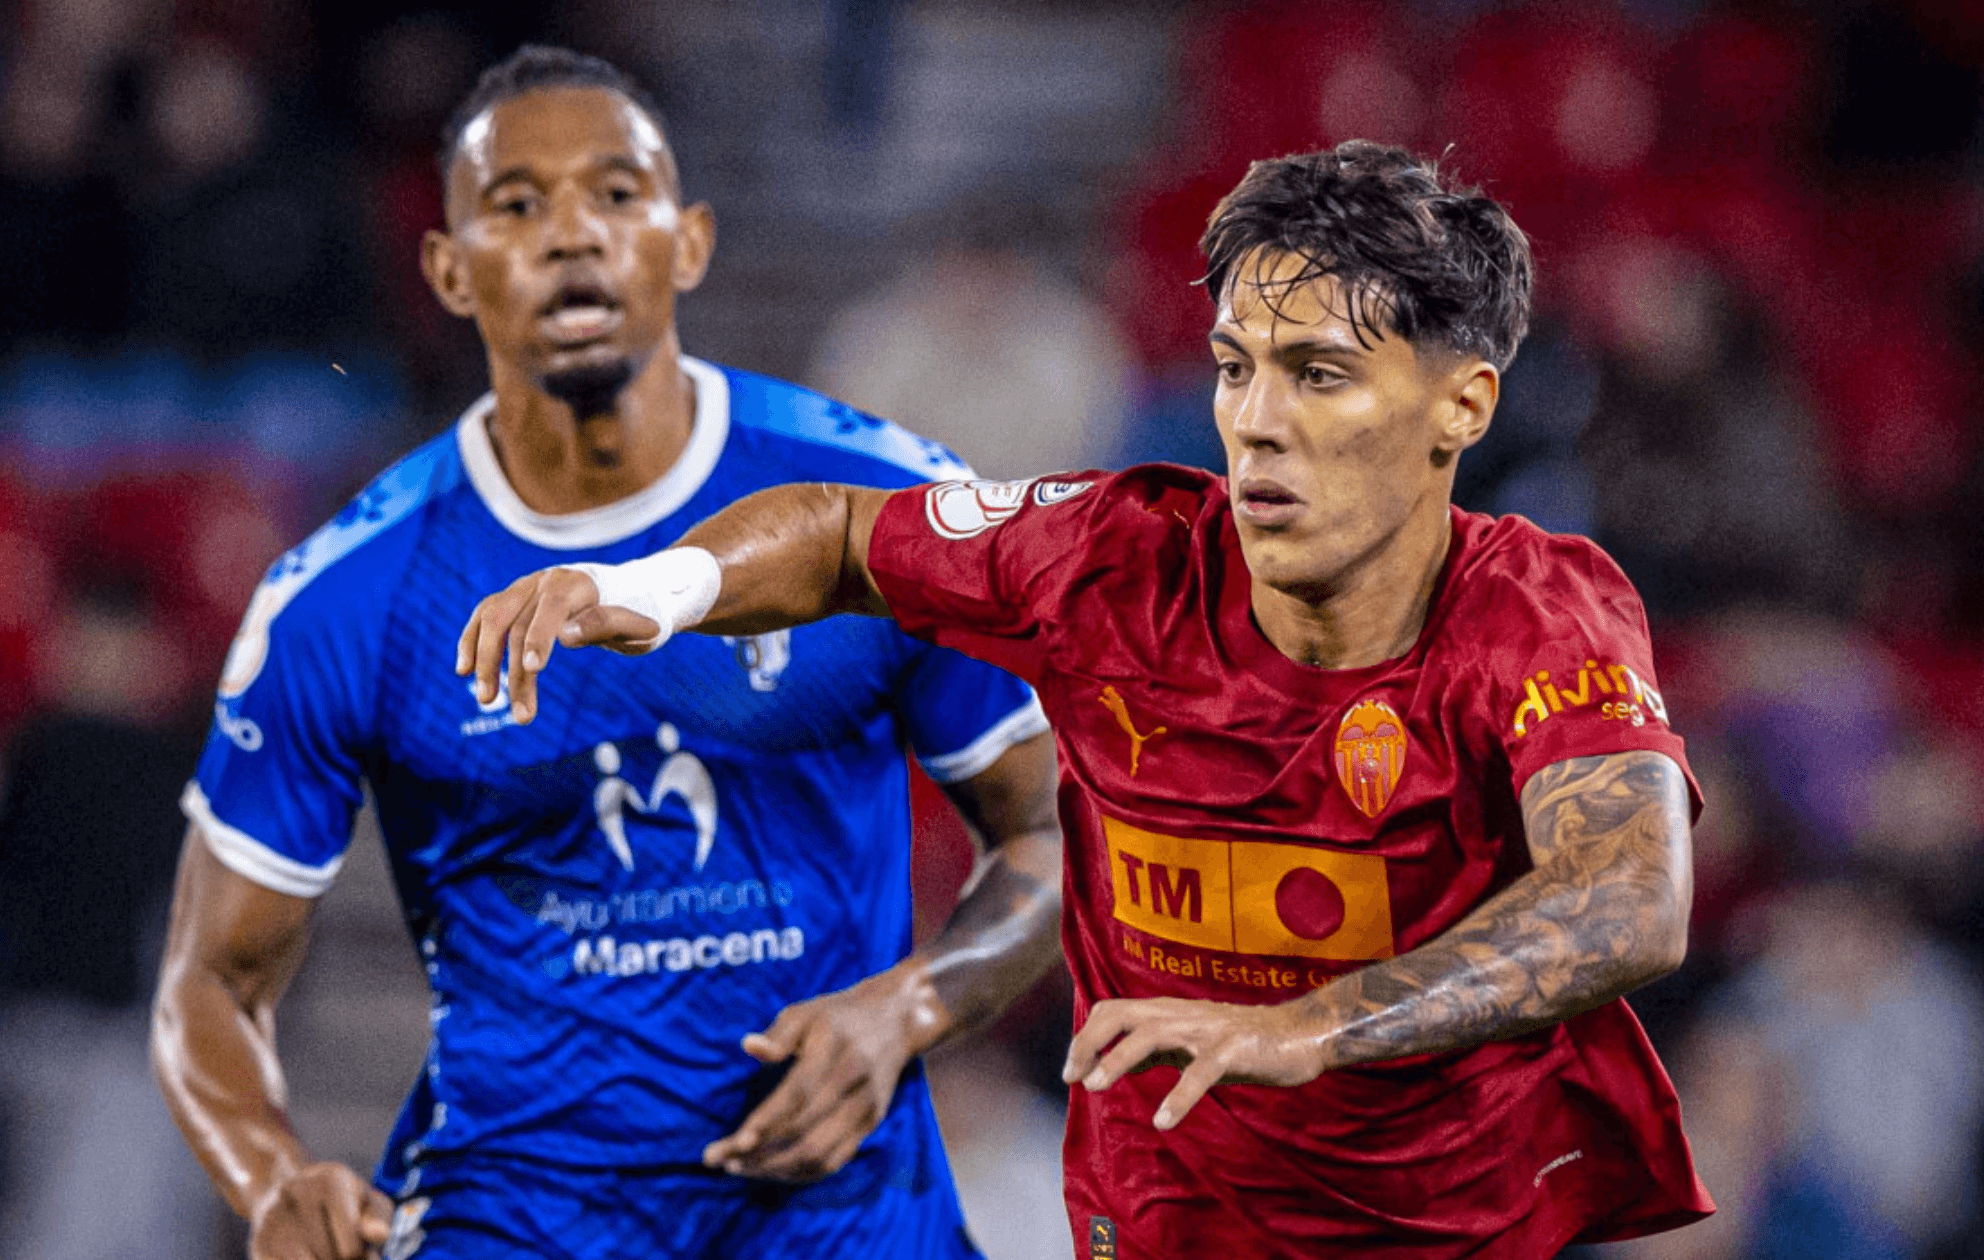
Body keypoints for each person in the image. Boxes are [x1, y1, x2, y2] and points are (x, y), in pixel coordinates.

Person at [464, 141, 1716, 1257]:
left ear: (1462, 406)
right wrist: (655, 587)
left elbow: (1629, 899)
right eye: (1234, 367)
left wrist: (1313, 1027)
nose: (1255, 422)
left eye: (1319, 374)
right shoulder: (1111, 560)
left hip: (1449, 1226)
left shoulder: (1538, 612)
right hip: (1159, 1218)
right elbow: (842, 531)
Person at [151, 45, 1064, 1260]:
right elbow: (211, 981)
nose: (573, 236)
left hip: (844, 1224)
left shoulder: (882, 503)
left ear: (689, 242)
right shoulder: (345, 595)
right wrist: (269, 1176)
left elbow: (1056, 830)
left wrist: (912, 1006)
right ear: (449, 270)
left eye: (617, 194)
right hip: (511, 1226)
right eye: (518, 205)